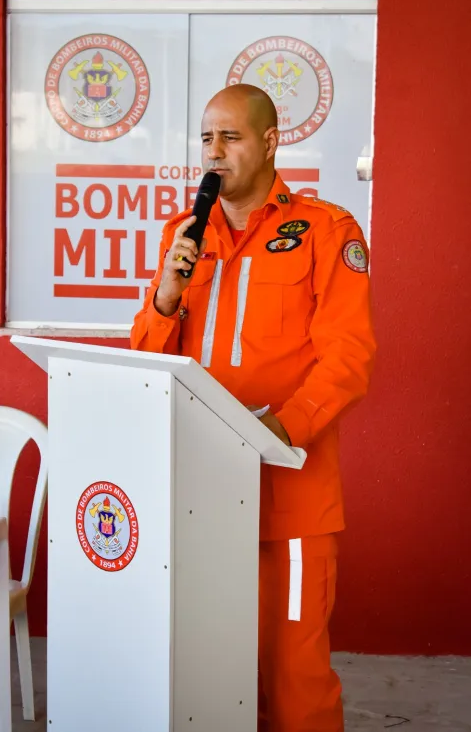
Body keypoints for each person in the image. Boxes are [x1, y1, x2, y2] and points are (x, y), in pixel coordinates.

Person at [130, 83, 376, 732]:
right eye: (206, 137)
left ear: (270, 141)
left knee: (292, 678)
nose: (214, 150)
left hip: (288, 493)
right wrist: (164, 295)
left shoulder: (327, 229)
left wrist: (270, 431)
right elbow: (149, 358)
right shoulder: (182, 234)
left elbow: (348, 358)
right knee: (206, 670)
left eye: (230, 136)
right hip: (197, 494)